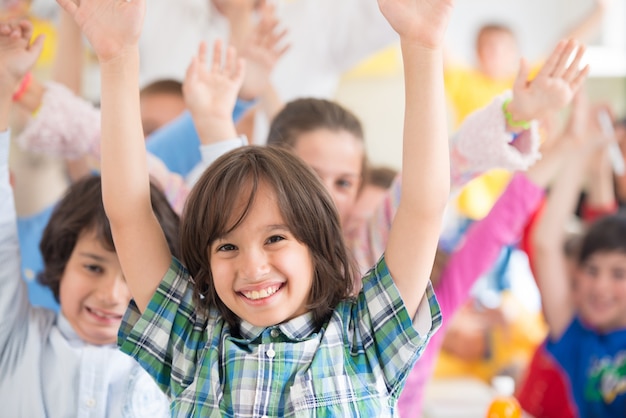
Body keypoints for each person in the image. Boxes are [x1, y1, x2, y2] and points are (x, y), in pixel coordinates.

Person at [59, 0, 452, 414]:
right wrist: (117, 57)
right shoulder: (192, 342)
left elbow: (423, 208)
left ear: (316, 245)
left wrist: (422, 48)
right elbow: (130, 213)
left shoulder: (364, 336)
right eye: (226, 247)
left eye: (275, 238)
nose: (252, 267)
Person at [179, 24, 587, 416]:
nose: (324, 193)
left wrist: (515, 114)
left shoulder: (362, 251)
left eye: (344, 181)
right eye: (309, 173)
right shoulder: (238, 270)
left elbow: (434, 181)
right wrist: (216, 120)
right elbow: (234, 210)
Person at [0, 19, 180, 417]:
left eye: (132, 277)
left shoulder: (179, 363)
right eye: (93, 266)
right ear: (62, 264)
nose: (111, 295)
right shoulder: (16, 338)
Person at [515, 91, 626, 417]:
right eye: (591, 271)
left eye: (618, 274)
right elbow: (546, 245)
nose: (600, 287)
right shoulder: (578, 336)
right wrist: (580, 149)